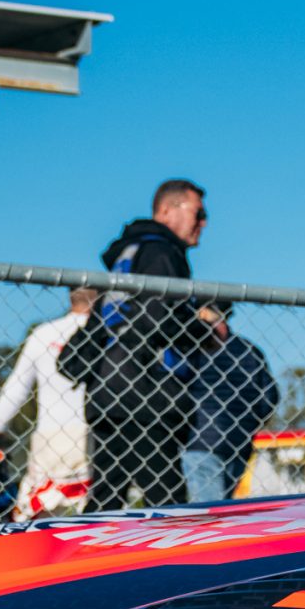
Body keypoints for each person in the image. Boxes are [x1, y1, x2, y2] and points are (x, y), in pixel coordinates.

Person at [60, 178, 209, 509]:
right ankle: (173, 562)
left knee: (107, 499)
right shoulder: (161, 251)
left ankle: (93, 556)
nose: (203, 222)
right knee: (168, 503)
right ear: (167, 211)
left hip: (110, 390)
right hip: (147, 394)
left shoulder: (131, 251)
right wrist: (206, 331)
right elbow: (159, 317)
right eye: (198, 212)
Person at [0, 286, 96, 517]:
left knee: (40, 511)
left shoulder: (44, 333)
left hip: (50, 434)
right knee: (90, 511)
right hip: (93, 432)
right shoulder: (107, 334)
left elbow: (17, 387)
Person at [180, 300, 276, 502]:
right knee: (223, 503)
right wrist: (249, 423)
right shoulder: (250, 351)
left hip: (200, 438)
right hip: (239, 440)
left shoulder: (195, 348)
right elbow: (269, 397)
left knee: (208, 512)